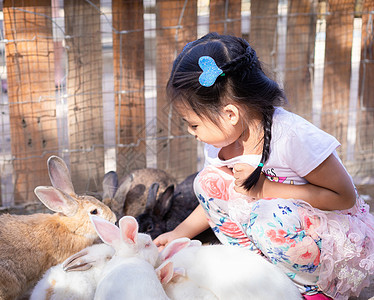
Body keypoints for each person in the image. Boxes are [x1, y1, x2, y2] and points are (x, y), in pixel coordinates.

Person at [153, 32, 374, 300]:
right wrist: (179, 232)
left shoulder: (292, 137)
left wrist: (266, 188)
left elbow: (345, 198)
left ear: (230, 114)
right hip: (281, 234)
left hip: (330, 243)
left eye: (193, 124)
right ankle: (264, 275)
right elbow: (220, 198)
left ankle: (312, 291)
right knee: (207, 182)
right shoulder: (221, 140)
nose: (191, 132)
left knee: (267, 220)